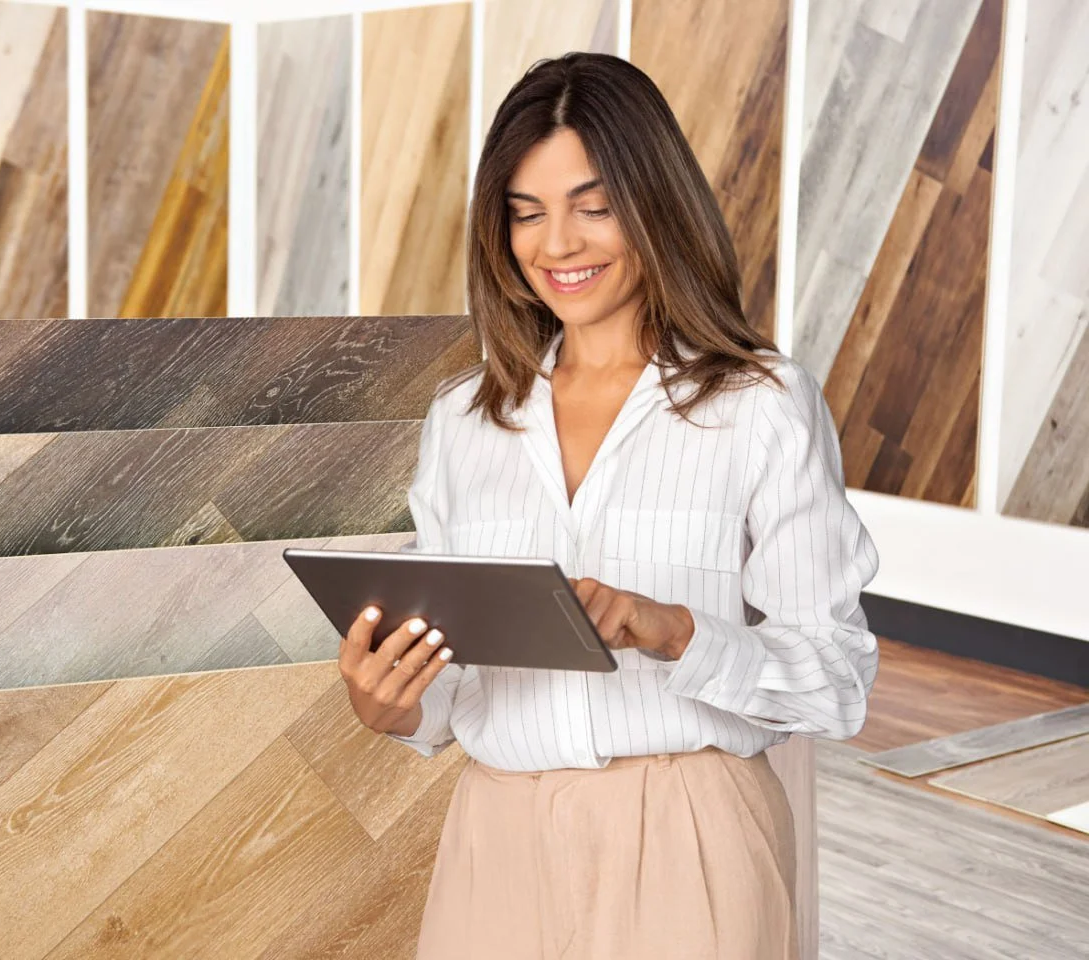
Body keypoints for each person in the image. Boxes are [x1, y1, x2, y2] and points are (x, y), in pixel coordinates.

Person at [336, 52, 879, 959]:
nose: (558, 245)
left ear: (656, 203)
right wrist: (394, 705)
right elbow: (455, 681)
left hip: (691, 833)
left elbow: (836, 680)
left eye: (593, 207)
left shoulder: (761, 404)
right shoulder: (464, 421)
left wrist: (673, 629)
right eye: (527, 213)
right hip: (497, 838)